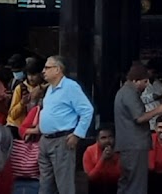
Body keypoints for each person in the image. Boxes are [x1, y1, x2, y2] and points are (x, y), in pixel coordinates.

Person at [38, 56, 94, 194]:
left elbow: (87, 110)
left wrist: (77, 134)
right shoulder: (50, 88)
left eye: (47, 67)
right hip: (45, 140)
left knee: (64, 185)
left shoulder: (70, 87)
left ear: (57, 69)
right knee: (45, 185)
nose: (43, 71)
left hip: (61, 140)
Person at [116, 63, 162, 194]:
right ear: (135, 81)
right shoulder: (129, 93)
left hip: (128, 144)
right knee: (137, 184)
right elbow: (139, 117)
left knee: (127, 183)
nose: (147, 85)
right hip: (135, 144)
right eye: (145, 81)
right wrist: (159, 109)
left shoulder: (123, 92)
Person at [84, 129, 122, 194]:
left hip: (115, 187)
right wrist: (103, 159)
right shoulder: (90, 151)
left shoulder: (119, 150)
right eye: (103, 138)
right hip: (96, 187)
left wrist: (112, 158)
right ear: (97, 140)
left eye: (110, 137)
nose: (107, 140)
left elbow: (119, 175)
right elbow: (91, 177)